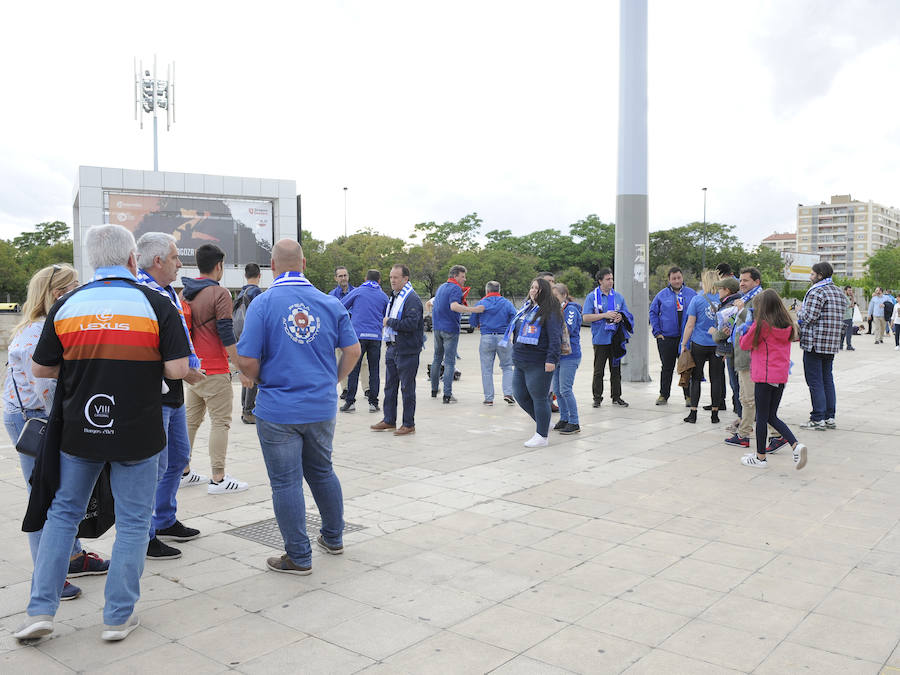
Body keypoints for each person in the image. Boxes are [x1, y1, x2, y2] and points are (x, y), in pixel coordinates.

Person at [13, 224, 191, 642]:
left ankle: (40, 610)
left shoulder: (69, 303)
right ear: (133, 259)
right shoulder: (155, 302)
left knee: (62, 515)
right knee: (133, 523)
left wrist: (85, 367)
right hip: (139, 430)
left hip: (80, 429)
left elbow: (41, 367)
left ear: (92, 260)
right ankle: (117, 616)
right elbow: (179, 369)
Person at [236, 239, 359, 575]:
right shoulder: (329, 302)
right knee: (322, 471)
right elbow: (353, 350)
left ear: (272, 267)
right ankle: (333, 537)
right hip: (320, 406)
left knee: (286, 483)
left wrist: (263, 379)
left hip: (278, 409)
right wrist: (333, 380)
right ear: (303, 264)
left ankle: (298, 556)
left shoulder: (263, 304)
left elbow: (245, 359)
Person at [3, 264, 108, 602]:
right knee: (45, 496)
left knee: (60, 492)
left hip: (38, 415)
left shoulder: (48, 325)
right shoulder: (36, 332)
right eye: (73, 287)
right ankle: (49, 576)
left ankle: (72, 558)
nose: (80, 293)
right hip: (34, 419)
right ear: (55, 294)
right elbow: (47, 388)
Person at [136, 233, 205, 561]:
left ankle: (164, 519)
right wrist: (186, 370)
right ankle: (145, 535)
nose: (181, 263)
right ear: (158, 261)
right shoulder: (143, 294)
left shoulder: (166, 293)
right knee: (156, 464)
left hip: (173, 388)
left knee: (179, 457)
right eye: (176, 257)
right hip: (155, 391)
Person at [181, 243, 249, 494]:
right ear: (219, 265)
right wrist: (240, 365)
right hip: (216, 369)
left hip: (194, 370)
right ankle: (219, 478)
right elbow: (225, 333)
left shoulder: (185, 293)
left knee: (191, 422)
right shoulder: (220, 294)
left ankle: (182, 471)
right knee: (220, 422)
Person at [738, 289, 808, 470]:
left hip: (763, 376)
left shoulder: (761, 325)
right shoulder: (788, 325)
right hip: (780, 376)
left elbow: (745, 344)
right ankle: (795, 446)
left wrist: (744, 330)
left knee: (761, 417)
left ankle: (760, 457)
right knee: (770, 415)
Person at [505, 277, 562, 447]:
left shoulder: (550, 310)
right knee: (520, 395)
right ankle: (543, 421)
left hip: (539, 361)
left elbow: (555, 337)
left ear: (543, 291)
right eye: (531, 287)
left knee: (539, 397)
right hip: (521, 360)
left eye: (537, 288)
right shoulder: (526, 308)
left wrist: (551, 359)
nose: (533, 291)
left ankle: (542, 435)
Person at [372, 264, 425, 435]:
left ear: (405, 279)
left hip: (407, 351)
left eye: (396, 277)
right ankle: (389, 420)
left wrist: (389, 322)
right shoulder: (394, 297)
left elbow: (411, 324)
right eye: (391, 277)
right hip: (392, 348)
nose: (392, 280)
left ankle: (409, 424)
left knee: (407, 389)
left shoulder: (412, 299)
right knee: (390, 387)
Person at [798, 261, 844, 431]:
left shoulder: (817, 291)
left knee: (815, 381)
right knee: (827, 380)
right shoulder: (839, 292)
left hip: (814, 343)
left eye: (812, 274)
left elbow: (809, 317)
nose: (810, 277)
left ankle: (818, 418)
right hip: (831, 344)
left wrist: (799, 312)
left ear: (819, 275)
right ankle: (829, 416)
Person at [429, 265, 484, 403]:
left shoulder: (441, 287)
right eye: (463, 276)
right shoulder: (455, 288)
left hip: (437, 328)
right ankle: (447, 395)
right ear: (455, 276)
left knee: (437, 359)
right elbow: (454, 306)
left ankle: (434, 390)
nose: (464, 279)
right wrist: (474, 310)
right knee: (449, 362)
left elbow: (430, 304)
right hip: (450, 329)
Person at [340, 269, 389, 413]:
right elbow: (387, 315)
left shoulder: (358, 292)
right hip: (375, 337)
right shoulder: (383, 296)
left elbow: (341, 306)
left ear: (365, 278)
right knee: (374, 370)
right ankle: (373, 403)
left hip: (358, 336)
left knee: (353, 369)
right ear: (379, 281)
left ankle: (350, 402)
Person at [583, 268, 633, 407]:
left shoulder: (618, 297)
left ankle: (616, 397)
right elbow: (586, 317)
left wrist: (620, 316)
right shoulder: (592, 297)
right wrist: (604, 315)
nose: (611, 281)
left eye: (612, 279)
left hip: (615, 338)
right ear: (600, 281)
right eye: (608, 279)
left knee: (615, 369)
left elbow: (626, 313)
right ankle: (597, 398)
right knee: (599, 370)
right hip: (600, 338)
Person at [681, 270, 725, 424]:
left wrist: (683, 343)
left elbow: (690, 324)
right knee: (716, 379)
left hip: (699, 344)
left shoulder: (697, 299)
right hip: (717, 345)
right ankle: (715, 414)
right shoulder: (723, 300)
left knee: (696, 379)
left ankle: (693, 413)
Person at [649, 266, 697, 406]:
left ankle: (688, 396)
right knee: (667, 367)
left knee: (686, 367)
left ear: (682, 278)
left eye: (679, 278)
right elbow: (653, 312)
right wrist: (657, 332)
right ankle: (664, 395)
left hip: (686, 338)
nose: (677, 281)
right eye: (673, 278)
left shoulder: (691, 294)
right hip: (667, 338)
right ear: (669, 280)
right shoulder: (662, 295)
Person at [471, 281, 517, 405]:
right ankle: (508, 393)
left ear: (487, 290)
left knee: (486, 369)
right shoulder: (507, 303)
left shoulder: (481, 303)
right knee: (507, 367)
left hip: (486, 337)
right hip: (503, 337)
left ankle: (489, 398)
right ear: (499, 290)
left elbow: (473, 322)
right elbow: (515, 318)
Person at [710, 277, 741, 428]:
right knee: (738, 386)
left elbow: (724, 332)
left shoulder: (729, 308)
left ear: (727, 290)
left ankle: (742, 420)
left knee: (737, 387)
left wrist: (714, 333)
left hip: (732, 352)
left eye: (720, 288)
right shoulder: (735, 303)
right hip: (733, 350)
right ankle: (742, 419)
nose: (718, 291)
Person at [551, 283, 582, 434]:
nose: (553, 299)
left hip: (570, 355)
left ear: (564, 295)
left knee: (565, 389)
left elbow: (567, 329)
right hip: (557, 355)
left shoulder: (570, 310)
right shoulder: (554, 310)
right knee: (557, 389)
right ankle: (564, 418)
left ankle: (574, 421)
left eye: (556, 296)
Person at [237, 263, 263, 424]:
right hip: (253, 338)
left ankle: (244, 408)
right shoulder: (256, 293)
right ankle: (249, 410)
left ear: (245, 275)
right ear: (259, 275)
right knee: (253, 372)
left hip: (240, 338)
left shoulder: (241, 292)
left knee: (246, 372)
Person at [329, 266, 354, 399]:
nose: (343, 278)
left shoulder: (356, 292)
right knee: (341, 359)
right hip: (338, 332)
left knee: (363, 362)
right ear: (336, 278)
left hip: (355, 331)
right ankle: (345, 389)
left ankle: (366, 389)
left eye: (345, 275)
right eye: (340, 276)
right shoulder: (331, 295)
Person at [840, 285, 856, 351]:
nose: (850, 292)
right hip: (847, 317)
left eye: (851, 290)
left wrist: (852, 298)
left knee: (843, 332)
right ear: (845, 291)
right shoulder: (844, 297)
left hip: (846, 317)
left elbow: (852, 305)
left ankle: (840, 345)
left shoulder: (846, 297)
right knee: (848, 332)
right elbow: (851, 305)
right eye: (849, 290)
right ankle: (848, 345)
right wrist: (852, 297)